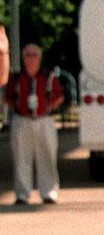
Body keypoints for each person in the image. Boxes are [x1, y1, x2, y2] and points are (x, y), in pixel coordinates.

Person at [5, 43, 63, 204]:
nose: (30, 59)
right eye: (27, 55)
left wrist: (48, 106)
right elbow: (8, 97)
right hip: (22, 121)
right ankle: (22, 194)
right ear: (23, 59)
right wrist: (18, 107)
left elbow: (59, 96)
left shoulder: (49, 77)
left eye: (34, 55)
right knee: (21, 158)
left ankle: (49, 192)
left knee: (47, 156)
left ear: (40, 58)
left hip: (44, 121)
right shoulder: (17, 78)